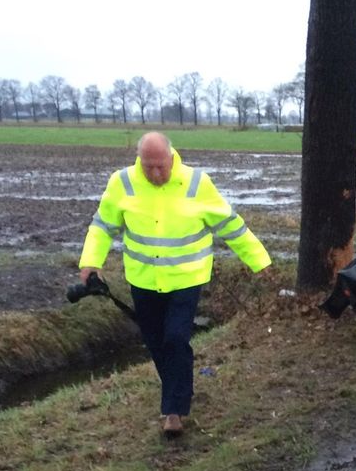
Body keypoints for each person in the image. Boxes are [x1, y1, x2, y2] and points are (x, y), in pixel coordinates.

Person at [78, 132, 271, 436]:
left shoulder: (196, 183)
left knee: (176, 338)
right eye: (148, 166)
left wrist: (260, 261)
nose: (155, 174)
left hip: (186, 279)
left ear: (172, 157)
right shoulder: (122, 182)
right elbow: (103, 226)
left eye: (161, 167)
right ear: (139, 160)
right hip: (143, 280)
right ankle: (176, 395)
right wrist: (91, 262)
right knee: (156, 343)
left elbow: (229, 224)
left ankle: (174, 410)